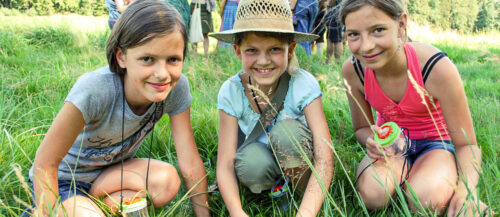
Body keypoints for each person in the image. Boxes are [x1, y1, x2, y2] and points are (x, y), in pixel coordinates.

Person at [27, 1, 210, 216]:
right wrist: (47, 210)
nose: (162, 73)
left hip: (110, 177)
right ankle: (73, 208)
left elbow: (189, 161)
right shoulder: (95, 90)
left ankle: (91, 205)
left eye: (173, 59)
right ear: (121, 56)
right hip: (65, 181)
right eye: (147, 59)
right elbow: (45, 162)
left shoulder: (176, 89)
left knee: (167, 181)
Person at [339, 0, 490, 216]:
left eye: (378, 30)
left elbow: (467, 144)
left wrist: (467, 192)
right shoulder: (354, 70)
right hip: (392, 146)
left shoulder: (435, 67)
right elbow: (361, 129)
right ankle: (408, 179)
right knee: (372, 194)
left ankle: (425, 180)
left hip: (436, 144)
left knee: (426, 199)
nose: (366, 46)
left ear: (401, 24)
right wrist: (372, 142)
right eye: (354, 34)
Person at [209, 0, 334, 216]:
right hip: (262, 165)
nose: (263, 61)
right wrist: (237, 212)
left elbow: (325, 157)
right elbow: (225, 164)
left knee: (286, 133)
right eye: (252, 50)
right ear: (238, 51)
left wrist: (305, 213)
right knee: (249, 162)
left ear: (290, 49)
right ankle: (270, 190)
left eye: (275, 49)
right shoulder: (230, 91)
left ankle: (299, 192)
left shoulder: (304, 84)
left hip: (299, 164)